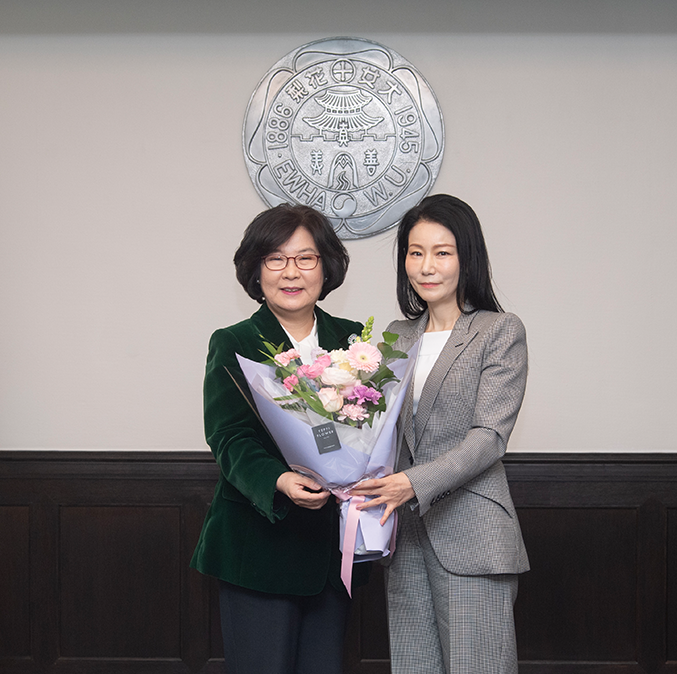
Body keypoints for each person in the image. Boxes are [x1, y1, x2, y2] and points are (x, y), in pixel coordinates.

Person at [352, 194, 529, 674]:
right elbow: (374, 428)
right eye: (415, 252)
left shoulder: (499, 331)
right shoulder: (395, 336)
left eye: (442, 252)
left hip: (473, 537)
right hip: (403, 536)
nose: (426, 265)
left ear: (466, 257)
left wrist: (412, 483)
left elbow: (489, 437)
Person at [190, 203, 365, 674]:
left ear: (325, 266)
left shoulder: (355, 344)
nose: (292, 272)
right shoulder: (234, 341)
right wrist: (280, 481)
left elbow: (372, 433)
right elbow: (229, 437)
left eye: (305, 258)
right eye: (276, 259)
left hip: (332, 555)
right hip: (257, 548)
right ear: (256, 269)